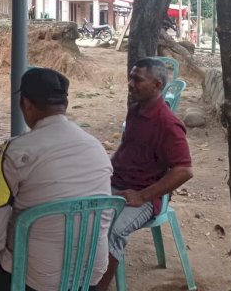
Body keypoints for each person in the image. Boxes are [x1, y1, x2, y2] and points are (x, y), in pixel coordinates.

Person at [0, 68, 113, 291]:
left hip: (32, 283)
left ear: (26, 104)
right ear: (64, 105)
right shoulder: (96, 147)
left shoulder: (15, 151)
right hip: (89, 279)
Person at [95, 58, 193, 291]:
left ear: (158, 85)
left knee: (114, 230)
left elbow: (185, 170)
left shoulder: (168, 124)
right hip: (116, 184)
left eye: (137, 79)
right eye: (130, 77)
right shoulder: (135, 110)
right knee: (79, 211)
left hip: (145, 196)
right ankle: (82, 275)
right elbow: (128, 148)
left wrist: (144, 195)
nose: (130, 83)